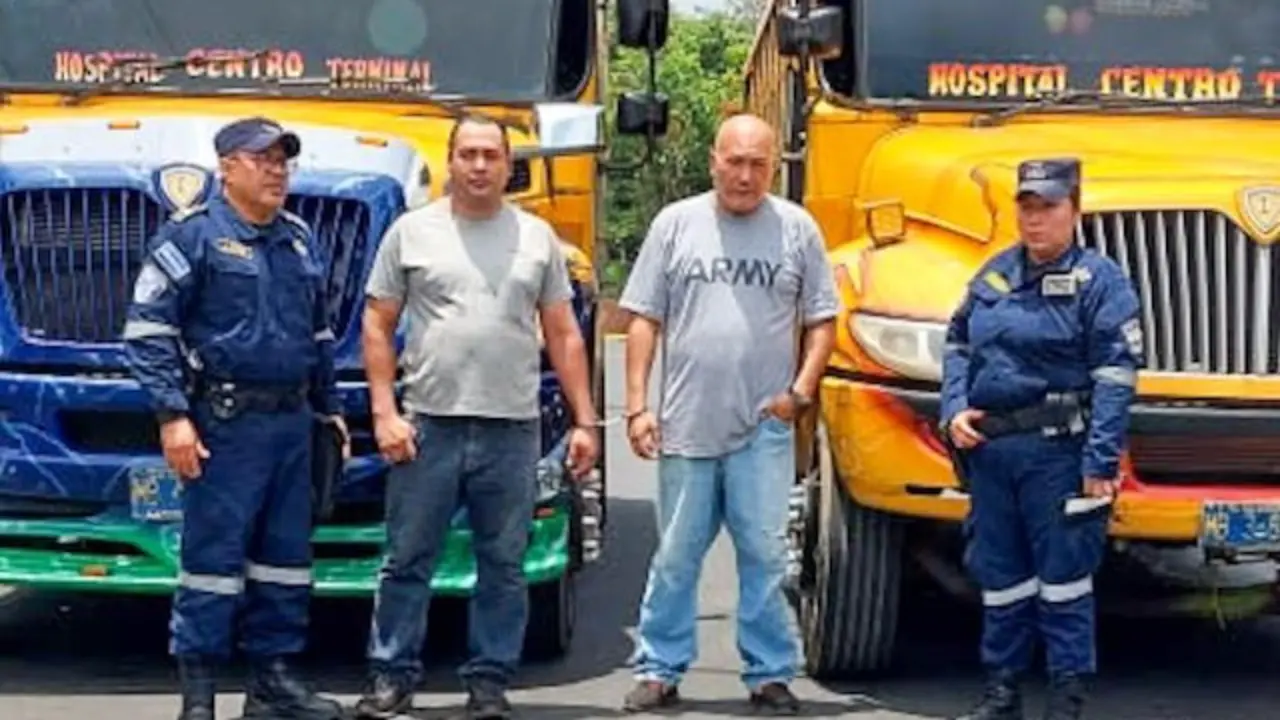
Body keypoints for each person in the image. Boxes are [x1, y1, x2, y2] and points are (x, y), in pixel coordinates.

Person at [353, 114, 600, 720]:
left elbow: (564, 334)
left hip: (511, 428)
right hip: (428, 425)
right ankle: (392, 678)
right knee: (407, 560)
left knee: (503, 565)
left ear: (508, 164)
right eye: (470, 154)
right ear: (452, 160)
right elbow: (377, 324)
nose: (481, 165)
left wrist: (584, 421)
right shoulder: (410, 234)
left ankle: (489, 684)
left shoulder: (538, 238)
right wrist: (384, 412)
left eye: (492, 154)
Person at [121, 116, 349, 720]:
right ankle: (199, 697)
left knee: (286, 559)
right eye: (261, 159)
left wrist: (330, 411)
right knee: (212, 565)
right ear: (226, 167)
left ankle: (273, 683)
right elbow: (147, 333)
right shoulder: (191, 237)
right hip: (224, 426)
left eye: (282, 160)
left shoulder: (299, 239)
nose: (276, 170)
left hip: (293, 423)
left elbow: (319, 335)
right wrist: (173, 416)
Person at [618, 113, 838, 716]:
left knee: (764, 556)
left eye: (757, 164)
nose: (744, 175)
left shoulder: (796, 229)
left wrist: (797, 393)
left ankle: (768, 674)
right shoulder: (676, 225)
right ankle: (660, 669)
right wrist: (638, 406)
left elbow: (823, 320)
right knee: (675, 555)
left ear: (773, 167)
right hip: (687, 426)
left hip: (762, 430)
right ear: (713, 160)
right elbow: (643, 318)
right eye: (734, 161)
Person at [940, 158, 1143, 720]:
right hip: (992, 455)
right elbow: (957, 344)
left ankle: (1065, 698)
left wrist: (1100, 461)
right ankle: (1001, 692)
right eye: (1027, 207)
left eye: (1049, 207)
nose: (1036, 220)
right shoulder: (994, 276)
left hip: (1060, 454)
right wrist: (953, 408)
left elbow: (1116, 376)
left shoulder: (1100, 282)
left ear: (1074, 211)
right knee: (999, 577)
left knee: (1063, 581)